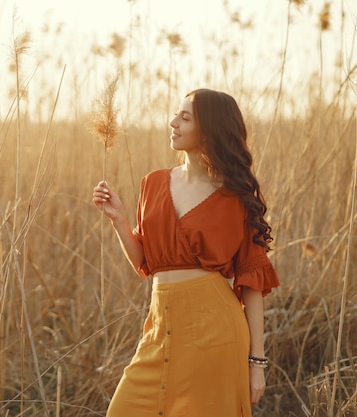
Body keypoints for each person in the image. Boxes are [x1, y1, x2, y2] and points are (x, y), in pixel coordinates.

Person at [92, 88, 280, 417]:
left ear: (209, 129)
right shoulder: (153, 183)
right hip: (160, 329)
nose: (173, 122)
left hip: (216, 333)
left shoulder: (235, 196)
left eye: (185, 117)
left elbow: (252, 281)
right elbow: (148, 264)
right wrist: (120, 221)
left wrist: (257, 364)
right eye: (176, 115)